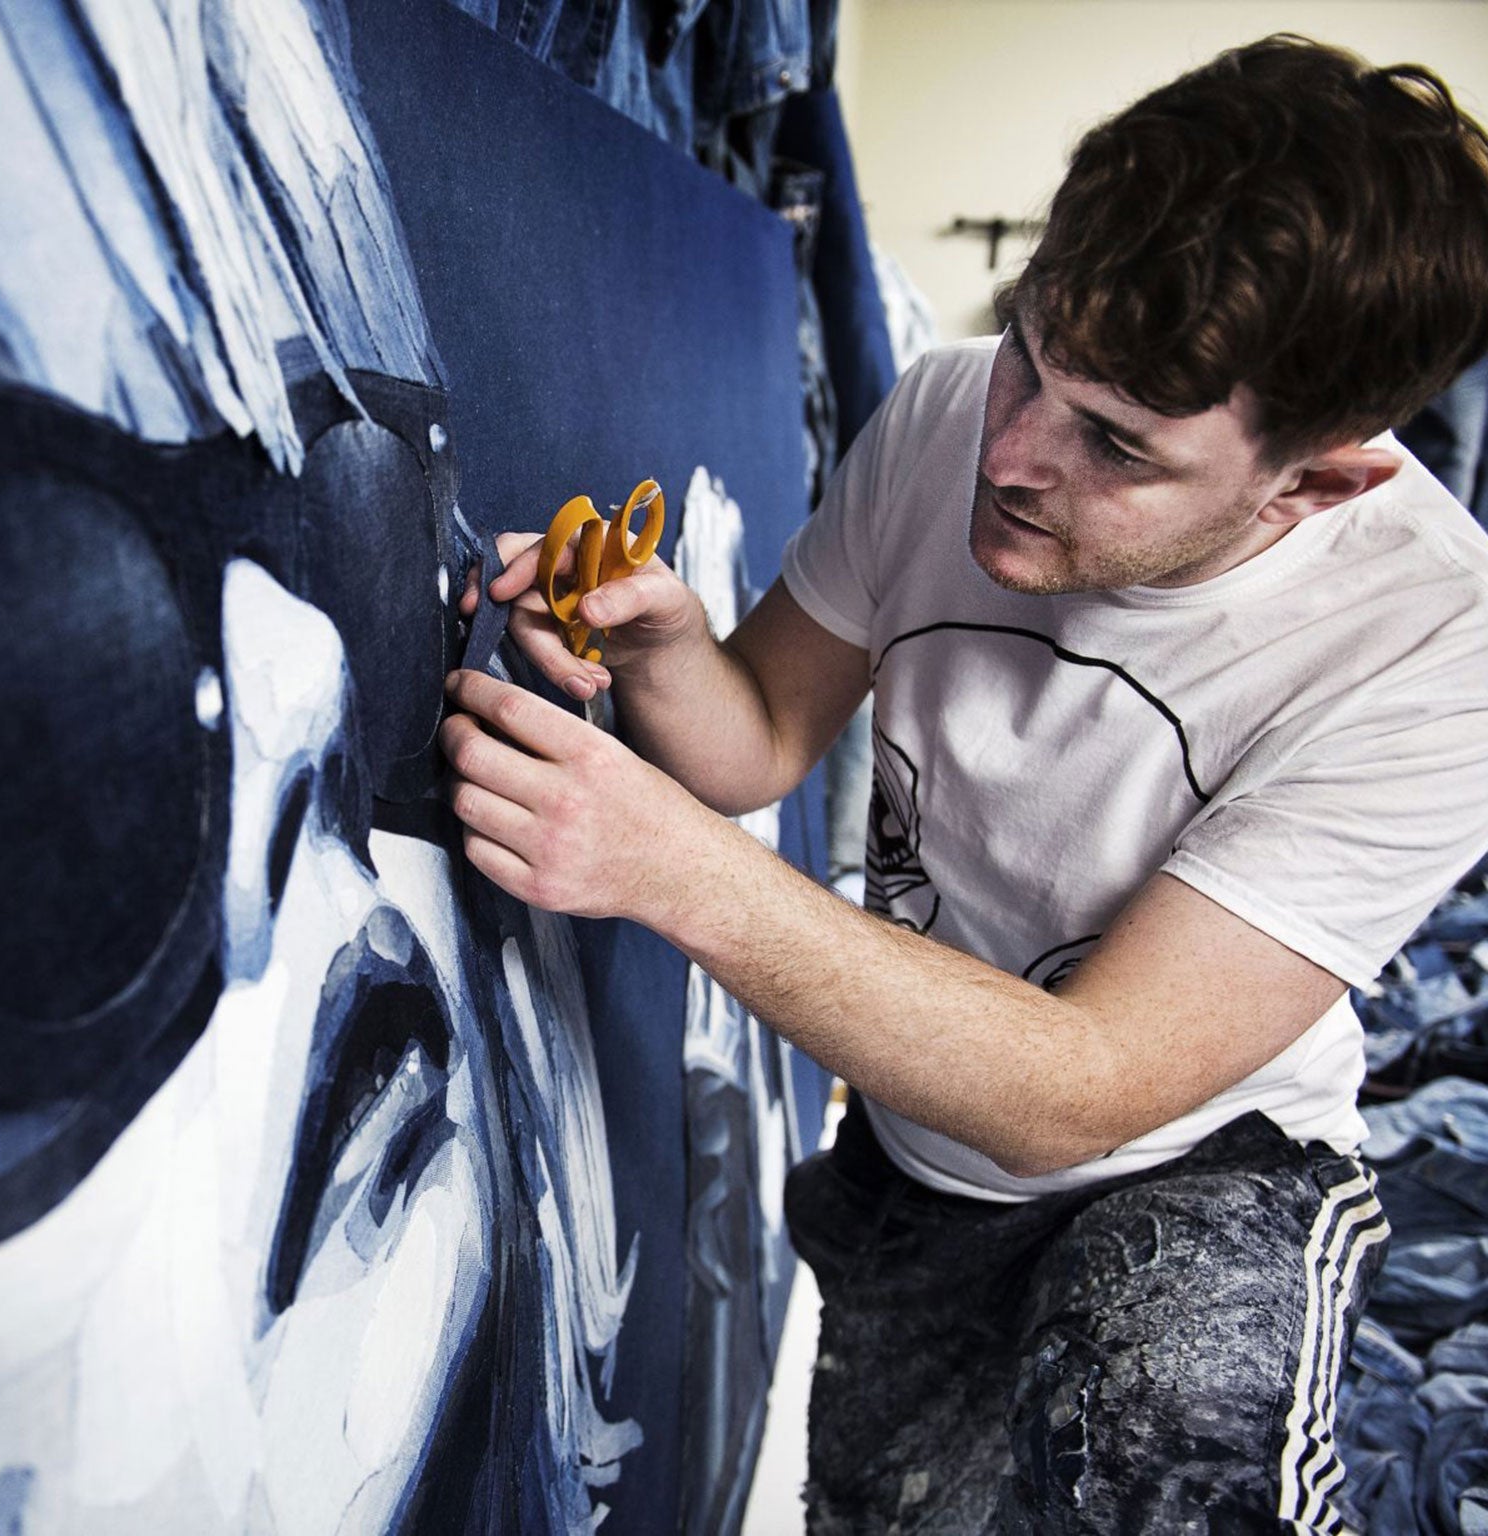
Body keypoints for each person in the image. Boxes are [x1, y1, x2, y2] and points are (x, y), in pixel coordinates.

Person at [443, 34, 1488, 1531]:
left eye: (1116, 442)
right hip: (926, 1145)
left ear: (1316, 478)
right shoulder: (946, 412)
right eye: (1028, 349)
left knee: (1172, 1430)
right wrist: (668, 644)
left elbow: (1086, 1089)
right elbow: (762, 742)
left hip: (1200, 1160)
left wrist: (666, 866)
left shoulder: (1441, 642)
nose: (1012, 451)